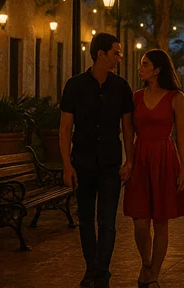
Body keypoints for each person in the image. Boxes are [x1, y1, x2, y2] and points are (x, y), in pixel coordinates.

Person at [59, 33, 133, 288]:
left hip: (111, 164)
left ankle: (102, 272)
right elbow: (65, 128)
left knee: (108, 222)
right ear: (100, 54)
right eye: (116, 53)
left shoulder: (121, 87)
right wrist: (67, 165)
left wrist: (129, 161)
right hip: (83, 163)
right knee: (86, 220)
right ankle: (91, 268)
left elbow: (127, 128)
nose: (119, 58)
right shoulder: (75, 85)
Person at [124, 49, 184, 288]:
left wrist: (183, 169)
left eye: (145, 64)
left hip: (165, 158)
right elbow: (128, 131)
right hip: (141, 157)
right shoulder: (135, 97)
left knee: (161, 220)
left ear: (157, 69)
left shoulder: (176, 97)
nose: (141, 68)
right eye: (141, 63)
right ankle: (145, 263)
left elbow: (182, 136)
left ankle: (153, 274)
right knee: (140, 221)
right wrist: (129, 160)